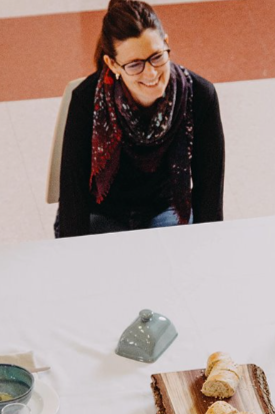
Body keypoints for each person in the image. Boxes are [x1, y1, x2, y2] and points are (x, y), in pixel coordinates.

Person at [54, 0, 224, 237]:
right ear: (112, 64)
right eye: (135, 65)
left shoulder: (200, 95)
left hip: (164, 212)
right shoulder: (86, 101)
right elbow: (74, 199)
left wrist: (205, 253)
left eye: (156, 56)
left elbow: (209, 196)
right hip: (102, 215)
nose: (151, 73)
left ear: (166, 43)